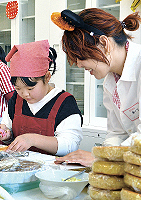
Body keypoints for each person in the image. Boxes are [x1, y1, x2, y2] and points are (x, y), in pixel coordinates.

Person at [51, 8, 141, 165]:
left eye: (81, 56)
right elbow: (117, 133)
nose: (79, 64)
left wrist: (102, 158)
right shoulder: (110, 83)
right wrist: (103, 157)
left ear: (104, 43)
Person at [0, 40, 83, 156]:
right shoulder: (16, 100)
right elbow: (8, 130)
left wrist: (32, 139)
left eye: (30, 88)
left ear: (47, 77)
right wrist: (6, 135)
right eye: (18, 88)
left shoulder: (64, 102)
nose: (25, 94)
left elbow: (70, 145)